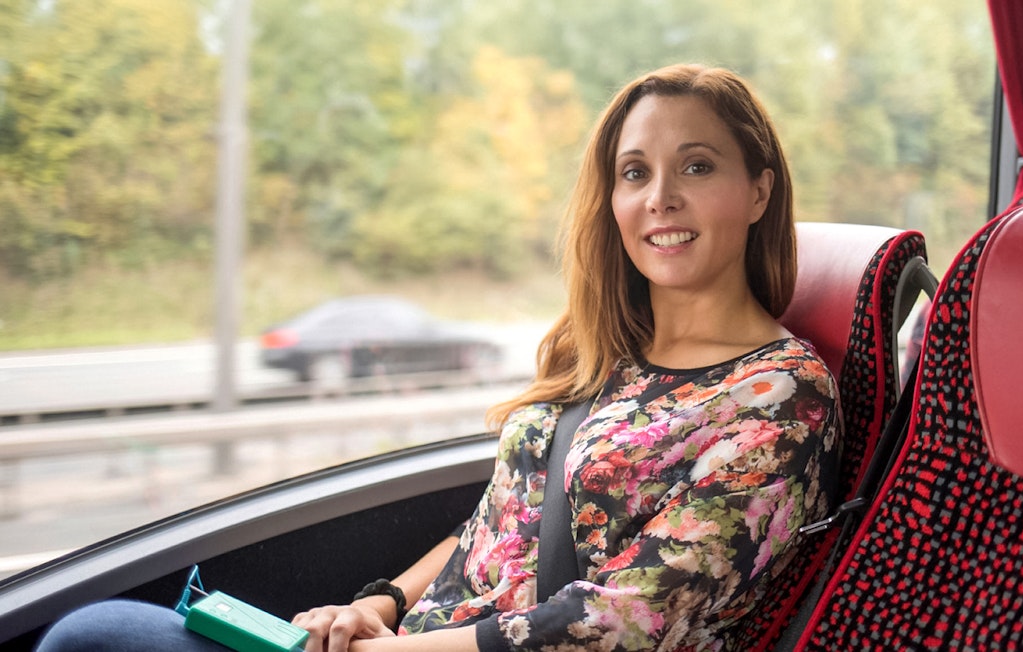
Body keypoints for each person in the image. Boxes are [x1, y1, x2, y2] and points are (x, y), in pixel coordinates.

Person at [35, 63, 841, 652]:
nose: (659, 196)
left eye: (696, 166)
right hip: (415, 639)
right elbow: (501, 523)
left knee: (94, 637)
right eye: (634, 173)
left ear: (758, 191)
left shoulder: (780, 398)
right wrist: (380, 605)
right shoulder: (610, 355)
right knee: (92, 632)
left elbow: (624, 620)